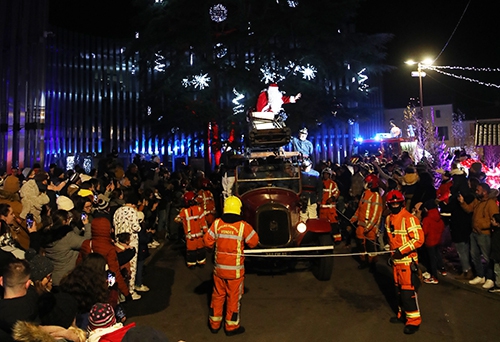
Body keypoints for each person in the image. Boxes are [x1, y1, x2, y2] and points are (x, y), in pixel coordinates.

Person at [203, 196, 259, 336]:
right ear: (238, 210)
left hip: (219, 271)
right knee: (233, 299)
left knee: (217, 296)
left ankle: (214, 325)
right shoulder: (243, 226)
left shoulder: (217, 224)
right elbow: (254, 241)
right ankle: (231, 327)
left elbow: (207, 242)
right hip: (235, 274)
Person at [385, 190, 424, 335]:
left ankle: (414, 322)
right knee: (398, 292)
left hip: (407, 263)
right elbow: (392, 239)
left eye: (397, 203)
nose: (394, 205)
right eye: (392, 204)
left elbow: (419, 240)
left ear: (401, 203)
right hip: (396, 262)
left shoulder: (409, 218)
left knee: (408, 294)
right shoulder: (389, 219)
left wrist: (401, 250)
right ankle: (402, 316)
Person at [458, 182, 499, 289]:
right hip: (475, 232)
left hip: (484, 234)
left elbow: (494, 219)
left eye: (478, 190)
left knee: (488, 257)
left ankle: (490, 278)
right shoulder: (478, 201)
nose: (476, 192)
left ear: (484, 192)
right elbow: (470, 209)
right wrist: (463, 203)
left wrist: (481, 226)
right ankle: (480, 275)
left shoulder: (491, 204)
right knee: (474, 255)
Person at [350, 174, 383, 271]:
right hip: (361, 225)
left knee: (370, 247)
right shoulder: (365, 193)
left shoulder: (376, 196)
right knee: (361, 245)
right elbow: (360, 209)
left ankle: (372, 264)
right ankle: (364, 261)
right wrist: (353, 218)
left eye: (366, 182)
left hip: (370, 228)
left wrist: (369, 227)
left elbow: (376, 214)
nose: (364, 184)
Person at [175, 191, 208, 268]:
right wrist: (206, 232)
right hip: (199, 236)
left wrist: (182, 220)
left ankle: (192, 264)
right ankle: (201, 262)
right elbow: (203, 223)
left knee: (191, 251)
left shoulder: (184, 211)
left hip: (190, 237)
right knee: (200, 250)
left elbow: (176, 219)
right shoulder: (199, 209)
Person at [420, 200, 446, 284]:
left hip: (430, 241)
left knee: (431, 259)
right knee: (437, 254)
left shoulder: (427, 219)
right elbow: (442, 227)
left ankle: (434, 276)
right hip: (437, 239)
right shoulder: (439, 217)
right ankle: (442, 269)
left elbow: (424, 231)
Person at [319, 168, 341, 243]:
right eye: (324, 174)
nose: (326, 175)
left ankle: (337, 239)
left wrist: (332, 198)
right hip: (322, 208)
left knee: (334, 224)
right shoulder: (320, 183)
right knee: (323, 224)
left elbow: (337, 192)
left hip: (331, 209)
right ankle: (324, 239)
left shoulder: (333, 184)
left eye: (327, 174)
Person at [488, 213, 500, 293]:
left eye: (493, 220)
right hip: (496, 254)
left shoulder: (497, 233)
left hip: (497, 255)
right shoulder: (495, 231)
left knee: (497, 271)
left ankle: (498, 285)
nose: (491, 221)